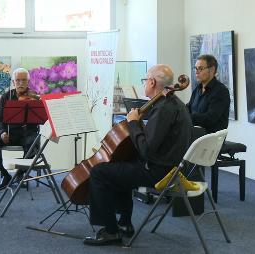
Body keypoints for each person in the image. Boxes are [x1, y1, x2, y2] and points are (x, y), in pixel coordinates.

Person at [83, 64, 193, 246]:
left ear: (152, 82)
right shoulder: (174, 104)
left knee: (99, 172)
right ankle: (124, 223)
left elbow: (147, 149)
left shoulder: (164, 109)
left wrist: (134, 123)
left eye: (145, 80)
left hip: (159, 172)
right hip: (169, 167)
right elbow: (156, 140)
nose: (144, 84)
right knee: (122, 164)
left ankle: (111, 232)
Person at [0, 68, 39, 191]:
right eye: (17, 80)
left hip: (28, 134)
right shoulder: (6, 97)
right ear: (13, 82)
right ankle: (5, 175)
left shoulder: (35, 96)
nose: (20, 83)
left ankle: (21, 174)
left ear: (28, 81)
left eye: (24, 80)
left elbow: (40, 117)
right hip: (10, 134)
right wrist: (2, 132)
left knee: (34, 141)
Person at [187, 54, 230, 134]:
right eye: (195, 68)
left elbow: (210, 118)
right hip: (196, 134)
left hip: (211, 138)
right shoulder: (197, 89)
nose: (196, 72)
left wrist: (188, 117)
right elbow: (188, 108)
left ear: (212, 70)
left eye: (200, 68)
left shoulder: (221, 91)